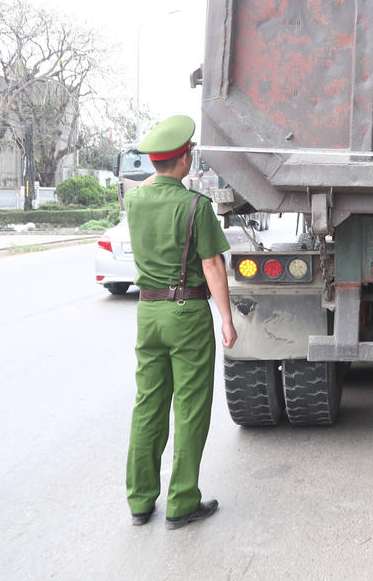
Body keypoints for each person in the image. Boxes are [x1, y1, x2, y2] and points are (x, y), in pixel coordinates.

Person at [125, 115, 238, 529]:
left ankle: (139, 501)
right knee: (189, 408)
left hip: (148, 312)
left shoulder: (134, 201)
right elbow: (211, 264)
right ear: (184, 160)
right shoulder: (195, 206)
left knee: (147, 406)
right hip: (187, 313)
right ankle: (182, 502)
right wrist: (226, 319)